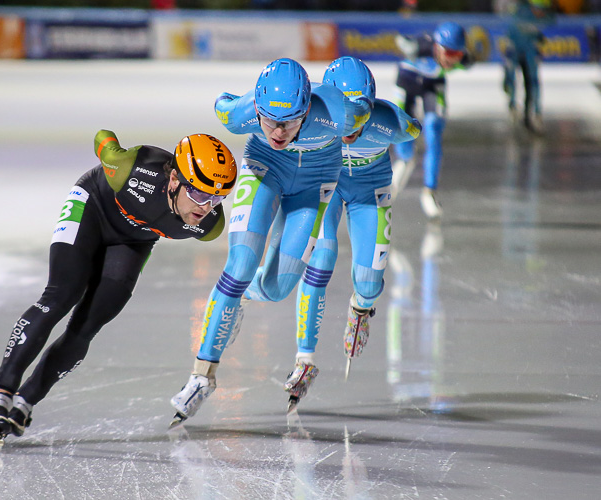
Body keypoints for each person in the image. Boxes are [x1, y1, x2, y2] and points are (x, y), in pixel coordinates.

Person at [0, 130, 238, 448]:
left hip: (133, 240)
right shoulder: (133, 168)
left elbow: (195, 213)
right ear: (174, 179)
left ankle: (24, 403)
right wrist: (110, 148)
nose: (208, 207)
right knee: (61, 295)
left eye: (218, 198)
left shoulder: (208, 225)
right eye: (202, 195)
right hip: (92, 204)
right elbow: (102, 138)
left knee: (88, 325)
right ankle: (0, 395)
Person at [169, 57, 372, 425]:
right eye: (269, 121)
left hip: (315, 184)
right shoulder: (241, 114)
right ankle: (202, 374)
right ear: (257, 110)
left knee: (278, 288)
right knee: (242, 264)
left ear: (308, 109)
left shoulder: (339, 111)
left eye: (290, 123)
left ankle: (240, 298)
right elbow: (223, 102)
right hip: (264, 170)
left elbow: (369, 113)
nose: (277, 132)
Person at [284, 57, 421, 408]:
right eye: (342, 114)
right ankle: (304, 359)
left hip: (368, 193)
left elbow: (415, 128)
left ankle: (361, 310)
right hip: (325, 185)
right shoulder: (310, 115)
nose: (348, 126)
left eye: (359, 115)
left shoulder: (390, 123)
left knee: (370, 283)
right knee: (319, 257)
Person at [390, 21, 474, 220]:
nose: (453, 60)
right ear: (437, 47)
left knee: (434, 131)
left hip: (433, 86)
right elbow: (399, 39)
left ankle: (429, 191)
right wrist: (406, 45)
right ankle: (398, 173)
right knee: (405, 145)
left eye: (458, 55)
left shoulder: (464, 60)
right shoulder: (421, 46)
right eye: (450, 54)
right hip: (407, 83)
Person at [502, 0, 555, 134]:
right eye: (537, 9)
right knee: (511, 78)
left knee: (533, 82)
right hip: (515, 50)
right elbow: (510, 32)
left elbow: (550, 22)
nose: (540, 13)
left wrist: (539, 40)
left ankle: (535, 113)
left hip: (529, 51)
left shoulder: (545, 16)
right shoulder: (520, 13)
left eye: (543, 10)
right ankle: (513, 107)